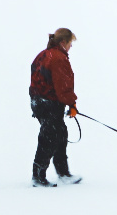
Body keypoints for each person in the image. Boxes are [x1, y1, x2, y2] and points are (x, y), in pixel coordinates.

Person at [29, 28, 81, 187]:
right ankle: (38, 177)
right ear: (63, 42)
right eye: (70, 43)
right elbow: (63, 85)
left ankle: (63, 173)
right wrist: (71, 103)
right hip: (49, 103)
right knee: (49, 138)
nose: (71, 47)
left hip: (38, 101)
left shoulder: (43, 55)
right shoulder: (58, 58)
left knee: (60, 134)